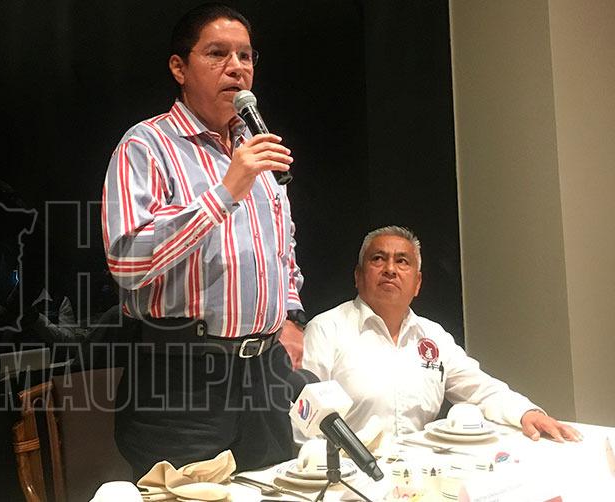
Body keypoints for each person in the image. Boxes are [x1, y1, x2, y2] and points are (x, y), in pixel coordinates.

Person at [101, 3, 308, 476]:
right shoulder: (146, 145)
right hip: (183, 375)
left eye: (246, 56)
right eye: (217, 54)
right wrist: (225, 192)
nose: (237, 67)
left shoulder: (255, 149)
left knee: (273, 488)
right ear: (179, 68)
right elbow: (128, 262)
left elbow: (282, 248)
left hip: (264, 374)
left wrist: (292, 314)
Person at [296, 225, 580, 443]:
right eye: (378, 259)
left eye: (403, 261)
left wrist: (527, 413)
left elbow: (479, 388)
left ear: (417, 283)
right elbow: (303, 423)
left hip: (418, 477)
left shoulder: (432, 336)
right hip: (348, 480)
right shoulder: (326, 330)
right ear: (358, 276)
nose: (390, 269)